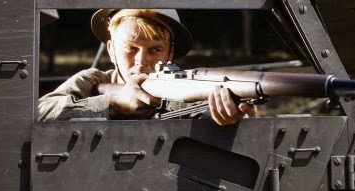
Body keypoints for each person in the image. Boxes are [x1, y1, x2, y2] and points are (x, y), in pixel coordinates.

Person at [38, 8, 257, 125]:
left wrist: (233, 117)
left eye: (155, 50)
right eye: (131, 48)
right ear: (112, 50)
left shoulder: (183, 89)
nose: (142, 61)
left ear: (170, 53)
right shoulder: (94, 81)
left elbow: (212, 116)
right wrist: (112, 103)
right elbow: (38, 113)